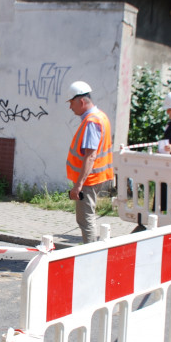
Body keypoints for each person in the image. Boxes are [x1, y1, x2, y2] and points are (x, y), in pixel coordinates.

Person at [65, 80, 113, 243]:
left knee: (85, 220)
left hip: (89, 180)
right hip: (96, 177)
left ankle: (90, 255)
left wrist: (78, 186)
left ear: (81, 101)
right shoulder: (100, 116)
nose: (70, 107)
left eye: (71, 103)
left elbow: (90, 156)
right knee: (86, 218)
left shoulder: (92, 121)